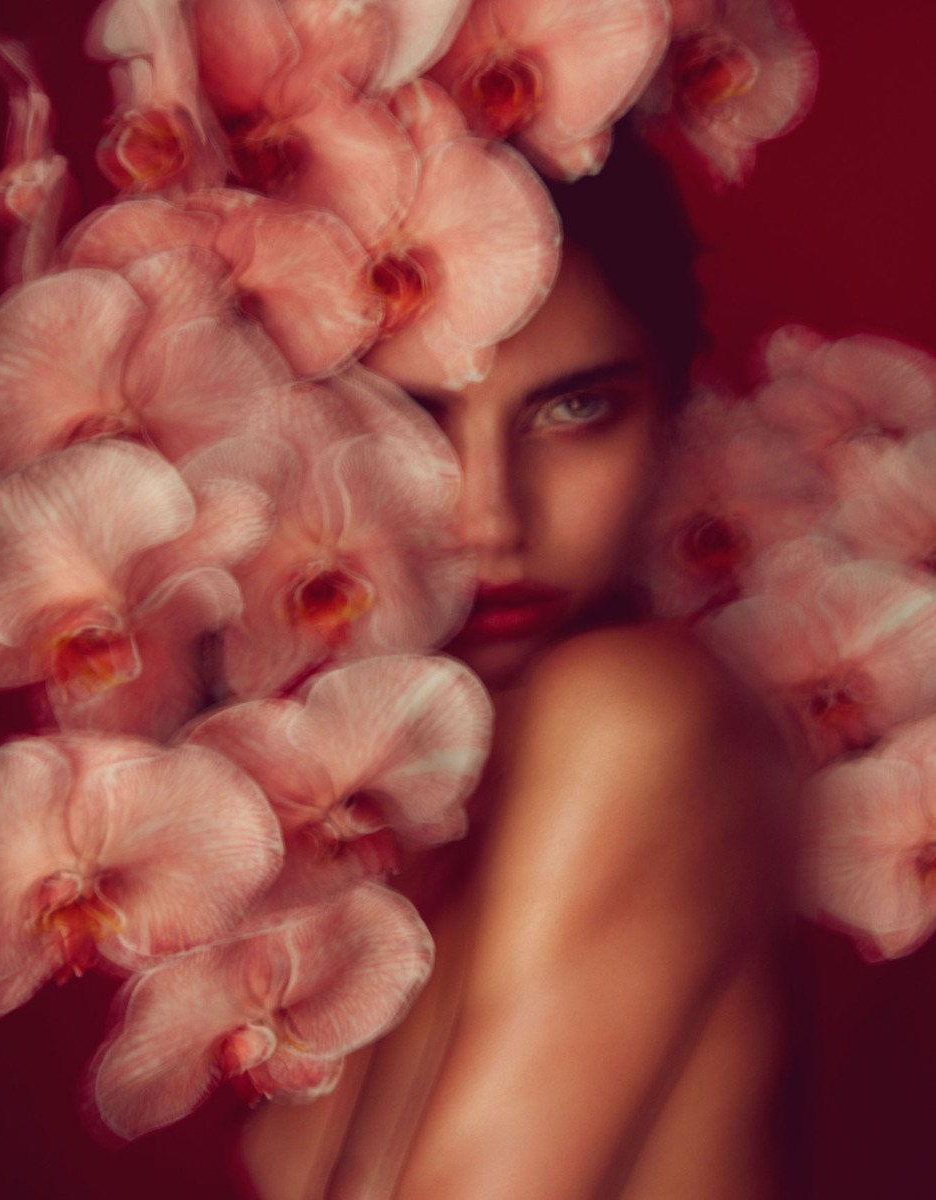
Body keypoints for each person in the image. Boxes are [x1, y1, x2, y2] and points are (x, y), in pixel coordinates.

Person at [239, 124, 802, 1200]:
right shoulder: (378, 841)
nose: (489, 517)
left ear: (676, 413)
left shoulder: (636, 715)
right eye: (413, 416)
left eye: (575, 410)